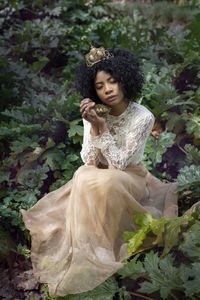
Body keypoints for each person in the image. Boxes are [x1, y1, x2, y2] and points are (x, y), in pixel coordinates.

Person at [21, 46, 178, 297]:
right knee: (84, 175)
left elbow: (120, 163)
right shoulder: (92, 113)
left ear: (125, 81)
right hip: (99, 174)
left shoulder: (142, 116)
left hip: (130, 176)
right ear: (92, 90)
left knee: (106, 182)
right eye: (100, 86)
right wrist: (93, 125)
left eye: (113, 82)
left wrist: (103, 126)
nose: (108, 90)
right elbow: (89, 160)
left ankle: (107, 247)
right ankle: (90, 244)